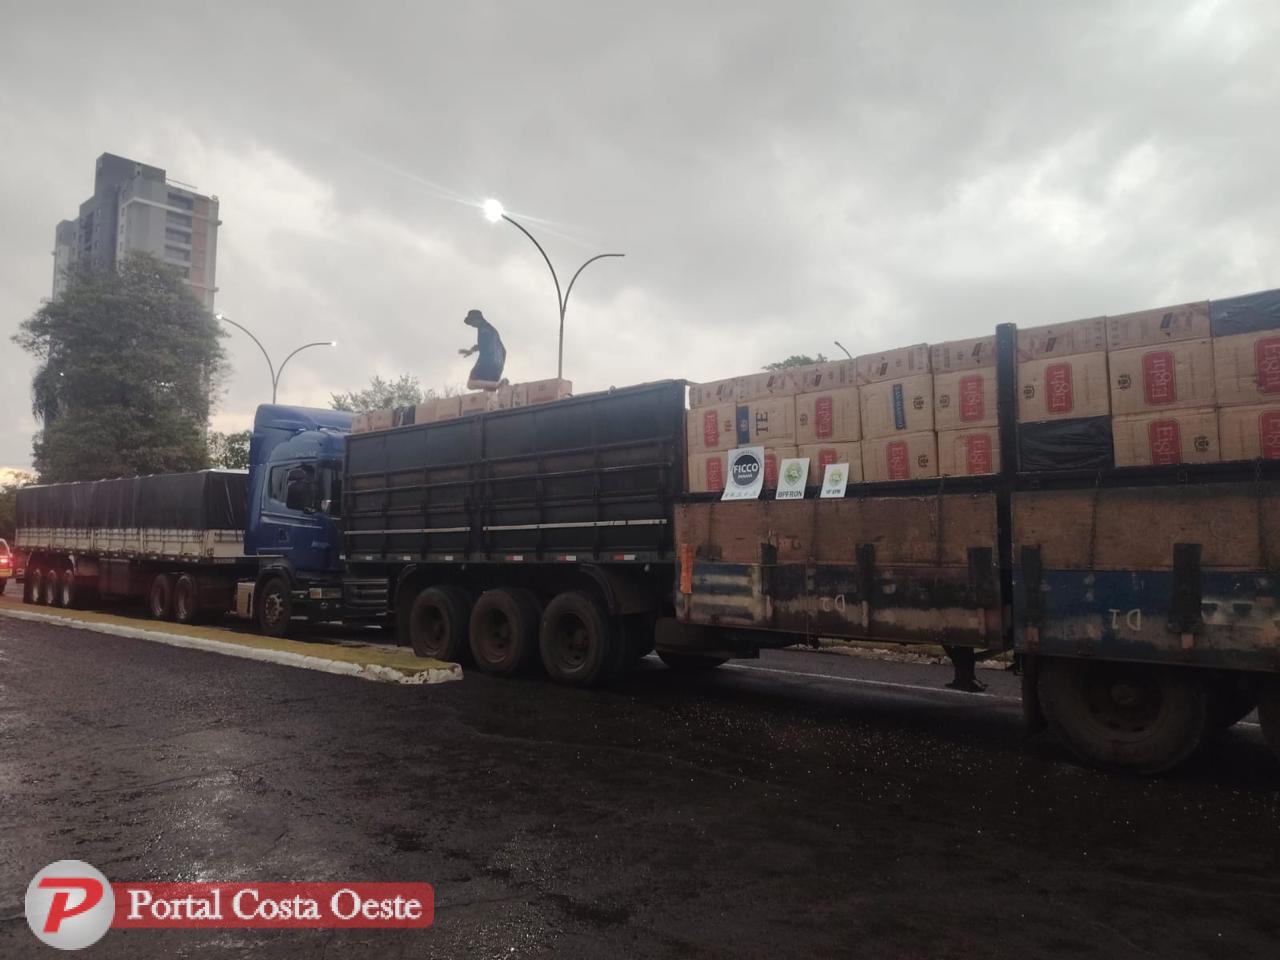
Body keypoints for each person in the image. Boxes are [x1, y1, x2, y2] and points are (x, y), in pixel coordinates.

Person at [459, 309, 508, 391]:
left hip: (487, 363)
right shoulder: (492, 330)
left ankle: (497, 384)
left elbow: (485, 345)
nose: (471, 325)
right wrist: (501, 367)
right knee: (489, 388)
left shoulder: (483, 329)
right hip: (498, 365)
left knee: (471, 383)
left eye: (472, 322)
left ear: (477, 319)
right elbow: (504, 351)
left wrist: (472, 351)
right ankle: (497, 387)